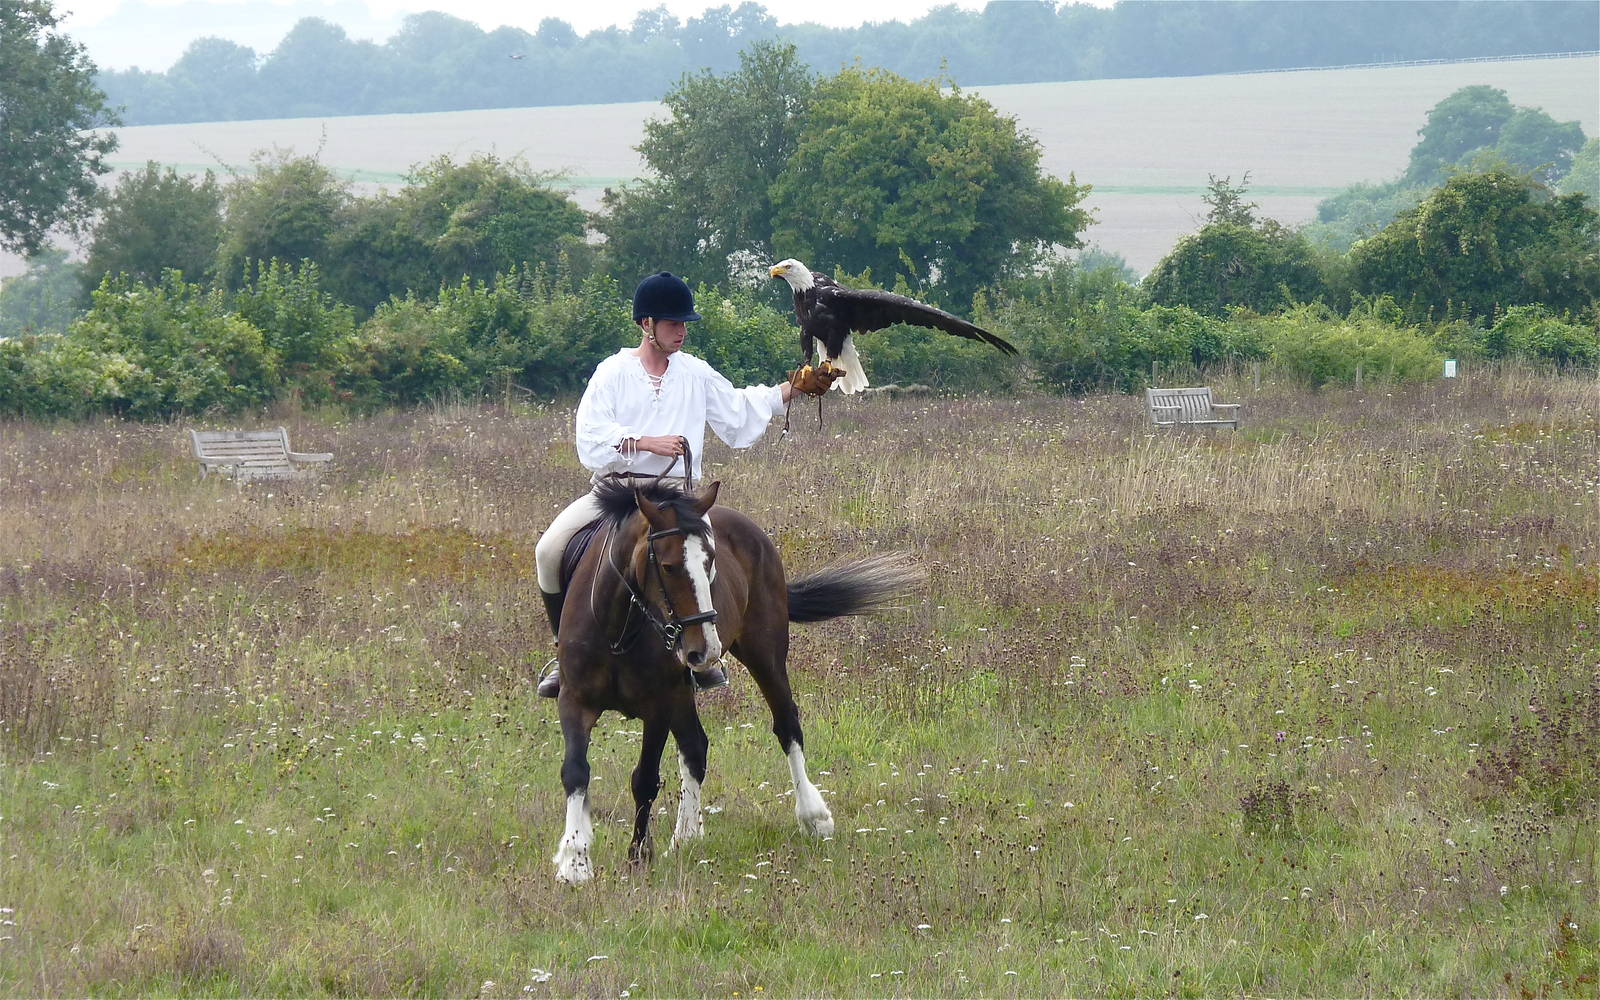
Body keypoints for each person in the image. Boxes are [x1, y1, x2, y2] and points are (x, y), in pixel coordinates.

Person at [533, 271, 838, 698]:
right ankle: (563, 654)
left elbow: (737, 410)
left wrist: (793, 389)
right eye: (673, 324)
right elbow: (589, 436)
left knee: (702, 560)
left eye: (684, 324)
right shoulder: (613, 372)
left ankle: (704, 656)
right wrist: (643, 442)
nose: (681, 332)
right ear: (647, 325)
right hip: (617, 494)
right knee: (548, 550)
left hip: (678, 498)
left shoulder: (695, 373)